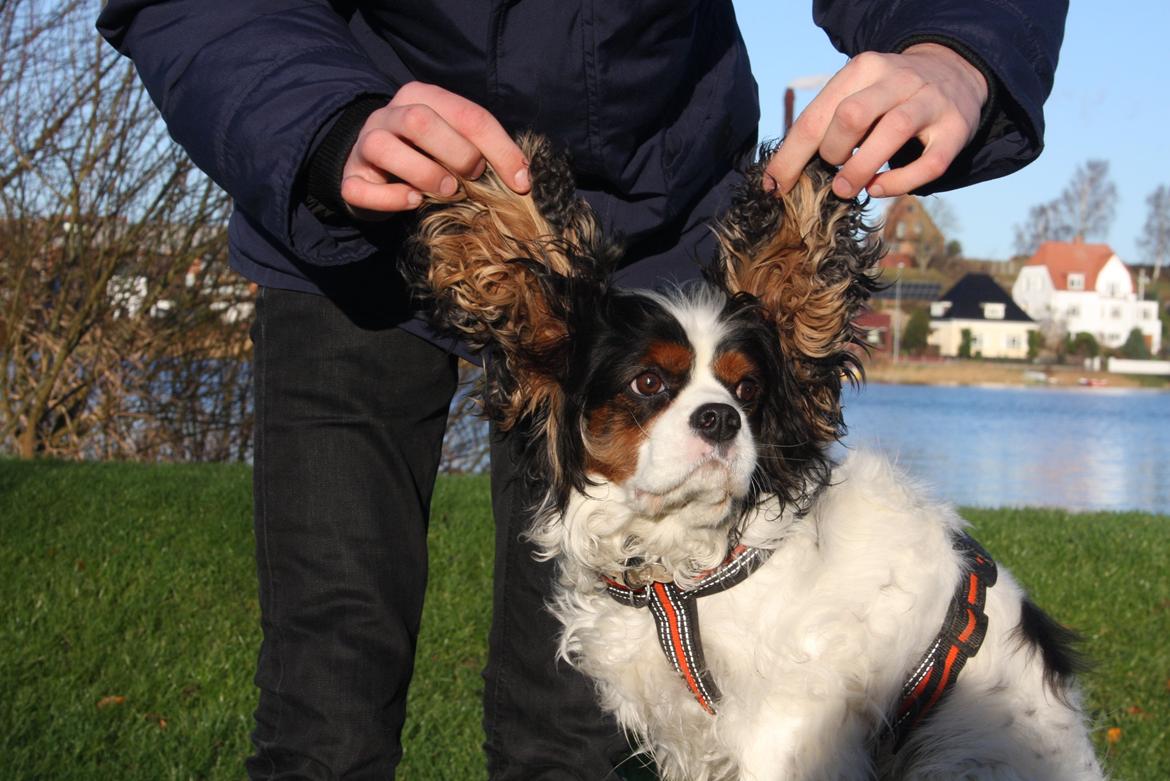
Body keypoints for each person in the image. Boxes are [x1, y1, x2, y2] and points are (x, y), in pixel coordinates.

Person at [96, 2, 1068, 779]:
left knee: (570, 740)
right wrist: (325, 121)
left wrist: (958, 48)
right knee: (323, 708)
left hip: (650, 233)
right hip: (343, 218)